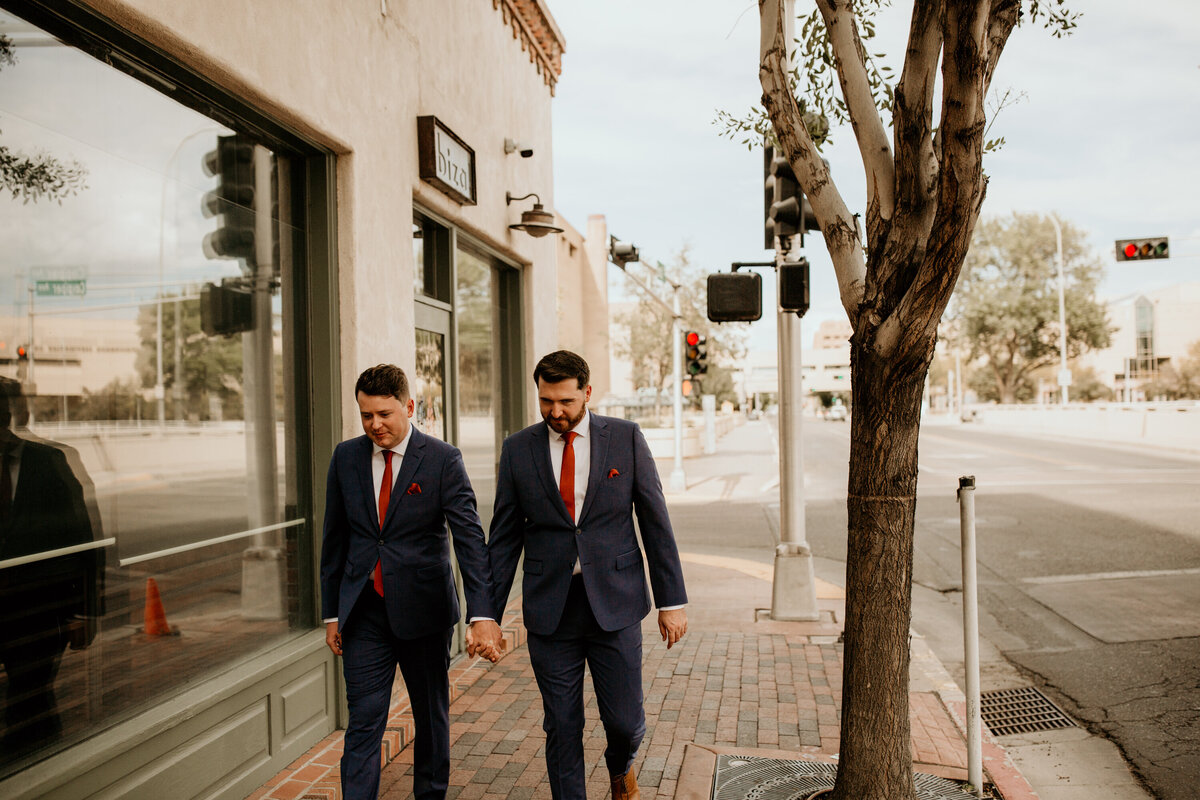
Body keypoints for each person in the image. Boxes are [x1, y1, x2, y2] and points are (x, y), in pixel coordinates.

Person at [488, 350, 689, 800]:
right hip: (550, 608)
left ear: (587, 393)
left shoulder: (624, 438)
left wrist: (671, 602)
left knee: (623, 721)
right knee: (561, 723)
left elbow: (654, 521)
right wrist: (487, 613)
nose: (555, 412)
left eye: (564, 401)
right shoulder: (518, 449)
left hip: (615, 603)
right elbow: (503, 538)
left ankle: (621, 767)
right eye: (545, 401)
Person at [320, 364, 503, 800]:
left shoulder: (442, 459)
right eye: (366, 415)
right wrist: (332, 614)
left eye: (384, 414)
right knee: (364, 719)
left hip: (424, 612)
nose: (375, 425)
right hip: (363, 611)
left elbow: (470, 541)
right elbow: (334, 540)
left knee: (430, 715)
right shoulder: (346, 456)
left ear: (409, 406)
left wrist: (482, 614)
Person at [0, 378, 104, 760]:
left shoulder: (48, 462)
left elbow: (85, 539)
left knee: (30, 700)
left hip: (37, 610)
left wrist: (86, 610)